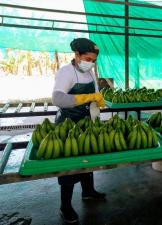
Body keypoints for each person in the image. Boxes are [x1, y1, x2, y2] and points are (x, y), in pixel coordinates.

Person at [52, 38, 106, 223]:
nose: (90, 63)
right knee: (69, 166)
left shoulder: (90, 73)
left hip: (86, 121)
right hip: (68, 123)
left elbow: (95, 96)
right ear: (77, 55)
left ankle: (88, 191)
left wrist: (97, 102)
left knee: (87, 159)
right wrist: (87, 97)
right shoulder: (66, 72)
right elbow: (58, 99)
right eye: (88, 59)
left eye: (93, 60)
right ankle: (65, 206)